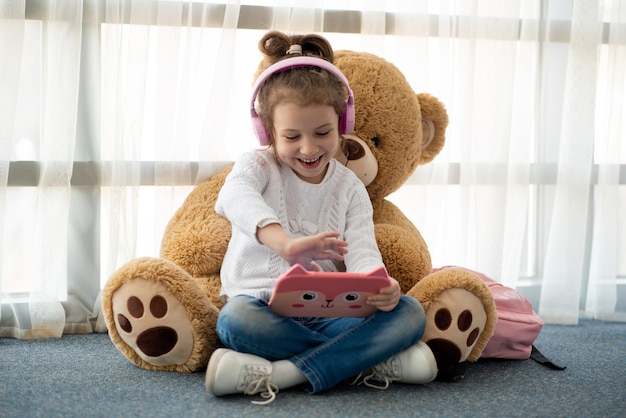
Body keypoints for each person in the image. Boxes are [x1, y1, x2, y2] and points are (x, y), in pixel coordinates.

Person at [205, 30, 437, 405]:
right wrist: (283, 242)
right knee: (234, 323)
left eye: (323, 132)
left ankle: (285, 374)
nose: (309, 148)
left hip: (331, 313)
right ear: (268, 132)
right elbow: (234, 196)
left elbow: (362, 250)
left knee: (408, 313)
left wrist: (379, 287)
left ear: (342, 124)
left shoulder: (349, 187)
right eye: (292, 136)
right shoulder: (257, 165)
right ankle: (364, 362)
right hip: (261, 306)